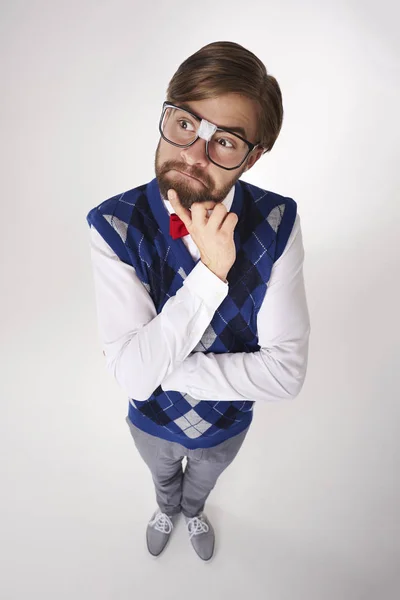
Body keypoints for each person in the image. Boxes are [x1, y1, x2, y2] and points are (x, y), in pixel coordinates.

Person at [86, 40, 311, 562]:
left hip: (227, 426)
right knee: (161, 475)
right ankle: (165, 506)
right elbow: (135, 381)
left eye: (226, 141)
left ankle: (195, 509)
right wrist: (211, 274)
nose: (192, 154)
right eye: (185, 123)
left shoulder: (280, 223)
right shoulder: (112, 225)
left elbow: (286, 375)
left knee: (202, 481)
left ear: (254, 156)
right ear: (166, 112)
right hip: (150, 422)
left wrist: (155, 365)